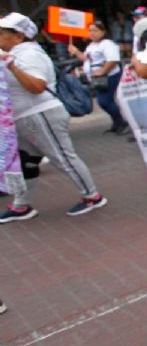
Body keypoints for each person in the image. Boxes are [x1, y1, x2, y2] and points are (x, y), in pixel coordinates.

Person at [0, 13, 107, 223]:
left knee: (63, 158)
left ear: (19, 36)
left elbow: (37, 86)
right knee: (25, 162)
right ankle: (21, 205)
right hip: (25, 119)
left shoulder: (28, 54)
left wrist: (12, 66)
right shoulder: (14, 53)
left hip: (41, 115)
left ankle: (92, 196)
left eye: (2, 33)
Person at [67, 21, 127, 134]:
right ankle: (117, 123)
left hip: (109, 76)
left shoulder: (108, 44)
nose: (92, 33)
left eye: (95, 30)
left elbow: (112, 60)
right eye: (90, 31)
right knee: (106, 101)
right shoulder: (91, 46)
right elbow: (86, 59)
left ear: (103, 32)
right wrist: (76, 51)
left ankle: (121, 121)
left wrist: (103, 71)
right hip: (97, 78)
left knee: (104, 101)